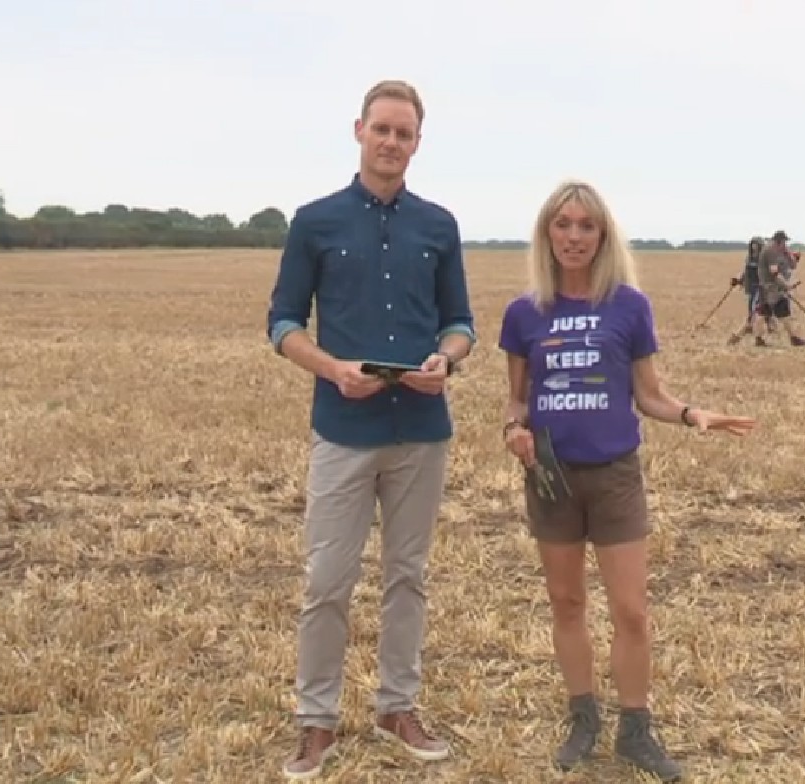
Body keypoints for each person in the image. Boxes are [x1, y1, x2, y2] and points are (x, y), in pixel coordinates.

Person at [498, 179, 757, 781]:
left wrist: (693, 415)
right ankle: (583, 719)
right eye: (563, 224)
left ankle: (636, 730)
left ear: (603, 236)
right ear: (546, 233)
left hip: (614, 475)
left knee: (631, 610)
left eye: (586, 226)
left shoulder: (628, 306)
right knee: (566, 602)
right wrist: (513, 431)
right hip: (552, 477)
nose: (574, 236)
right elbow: (516, 401)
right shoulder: (524, 314)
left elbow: (649, 395)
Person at [265, 78, 476, 780]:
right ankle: (316, 721)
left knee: (407, 577)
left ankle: (397, 707)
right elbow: (282, 324)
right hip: (342, 429)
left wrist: (446, 361)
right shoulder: (315, 222)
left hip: (421, 430)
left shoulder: (439, 226)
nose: (391, 142)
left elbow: (460, 323)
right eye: (381, 129)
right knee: (328, 580)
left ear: (418, 143)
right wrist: (333, 369)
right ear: (358, 130)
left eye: (403, 133)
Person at [752, 230, 805, 347]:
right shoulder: (770, 251)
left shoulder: (780, 251)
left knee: (763, 313)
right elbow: (774, 272)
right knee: (780, 313)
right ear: (779, 241)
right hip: (771, 288)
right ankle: (794, 339)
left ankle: (759, 339)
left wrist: (790, 255)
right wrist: (786, 285)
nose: (785, 244)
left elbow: (792, 265)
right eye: (784, 242)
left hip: (772, 288)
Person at [726, 236, 772, 345]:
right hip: (753, 290)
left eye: (756, 244)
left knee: (760, 314)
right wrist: (738, 280)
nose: (754, 247)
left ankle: (752, 336)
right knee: (755, 314)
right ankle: (744, 336)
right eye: (752, 244)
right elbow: (745, 273)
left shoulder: (765, 259)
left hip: (762, 290)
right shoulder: (749, 259)